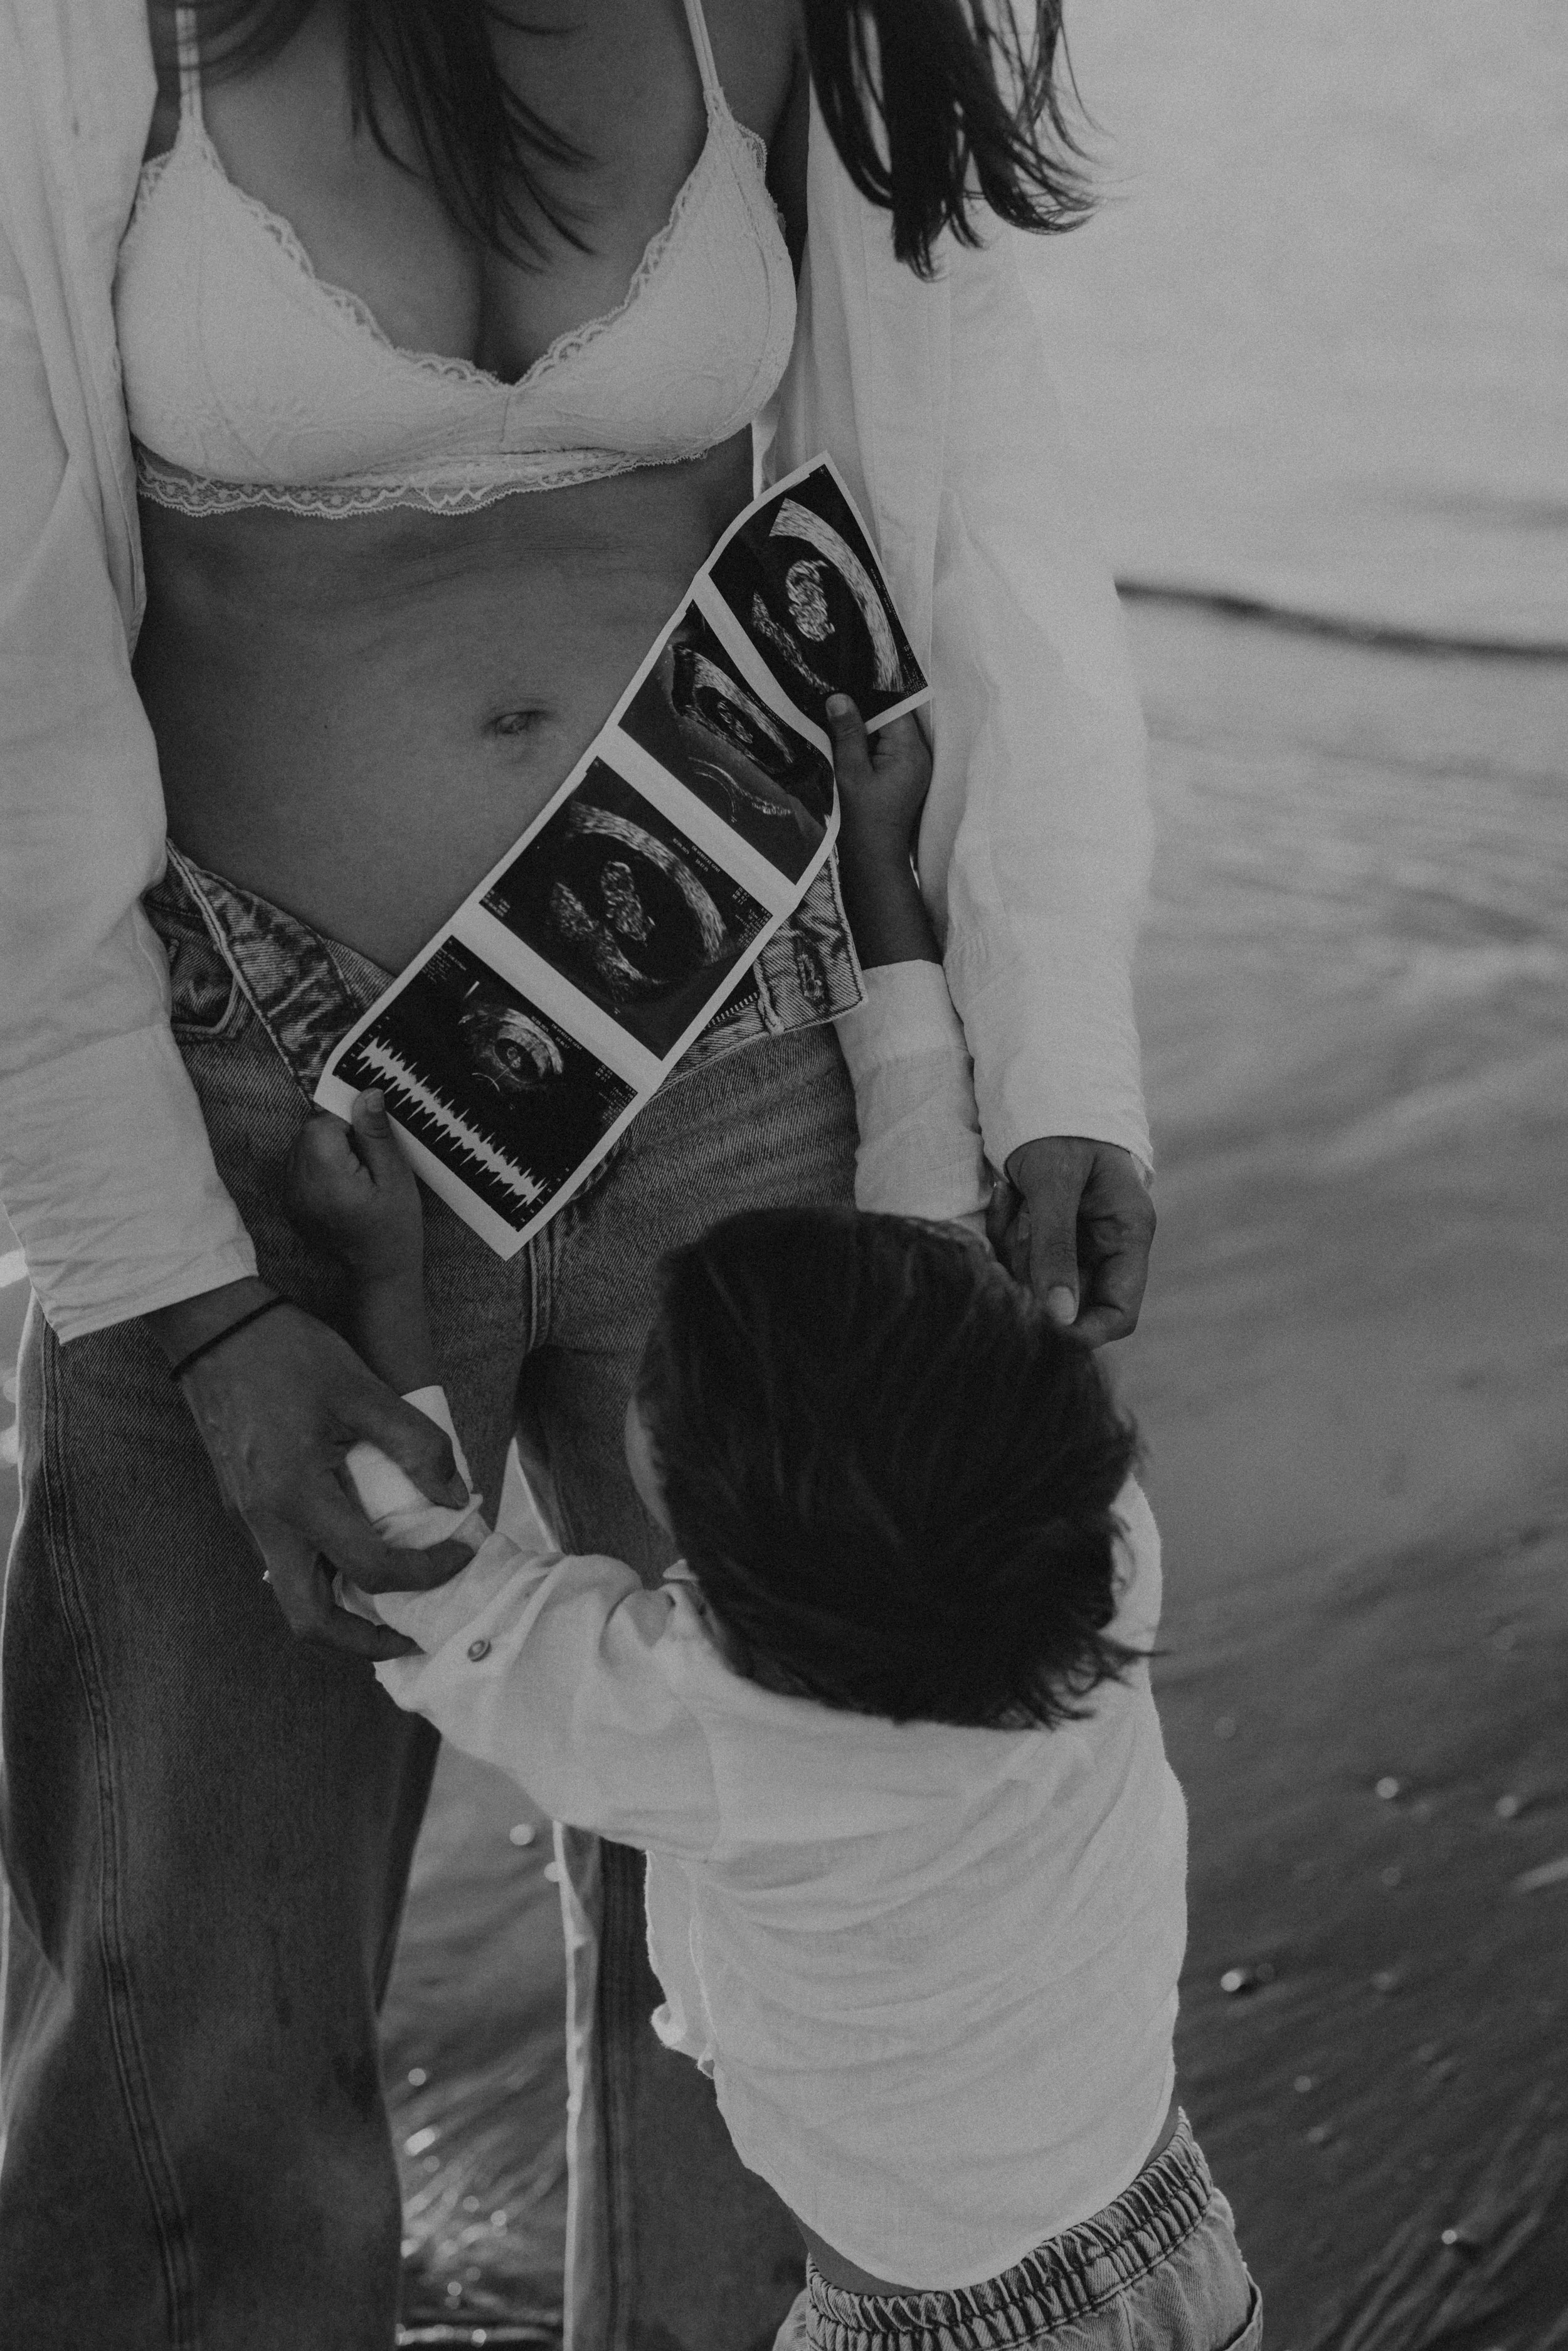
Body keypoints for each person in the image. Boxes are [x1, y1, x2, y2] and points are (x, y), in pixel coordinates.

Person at [0, 3, 1157, 2343]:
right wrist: (181, 1293)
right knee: (205, 2084)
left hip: (739, 1046)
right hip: (271, 1122)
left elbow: (980, 499)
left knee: (758, 2003)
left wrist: (1054, 1048)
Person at [282, 702, 1259, 2351]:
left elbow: (434, 1582)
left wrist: (382, 1269)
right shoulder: (1087, 1551)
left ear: (710, 1559)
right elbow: (927, 1209)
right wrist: (876, 870)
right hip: (1172, 2240)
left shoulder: (702, 1716)